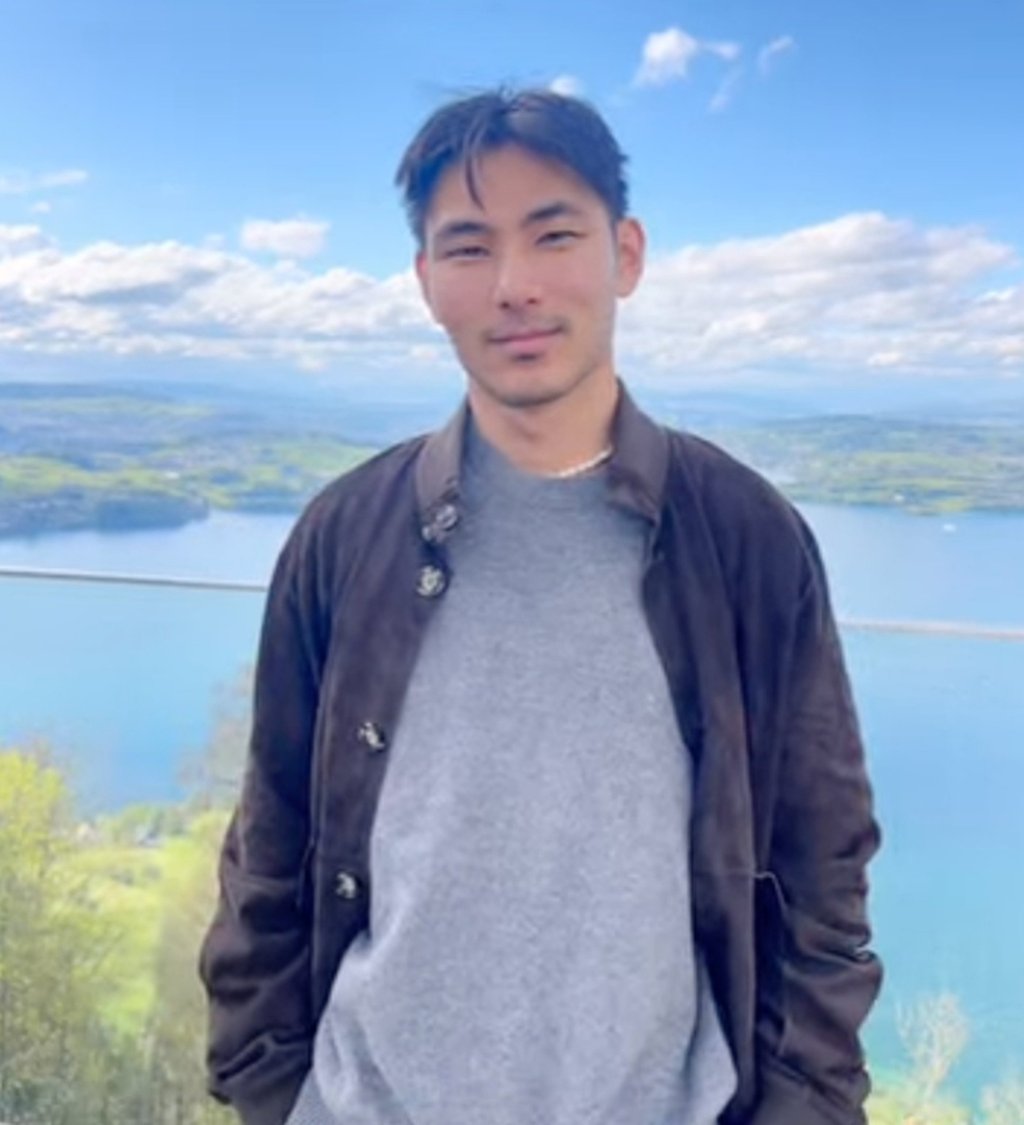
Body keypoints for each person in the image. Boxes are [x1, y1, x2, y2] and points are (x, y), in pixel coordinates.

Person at [199, 88, 882, 1125]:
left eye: (553, 234)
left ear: (626, 254)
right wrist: (270, 1089)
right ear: (426, 281)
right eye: (469, 247)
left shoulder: (743, 537)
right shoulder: (346, 538)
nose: (513, 285)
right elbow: (270, 844)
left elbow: (822, 866)